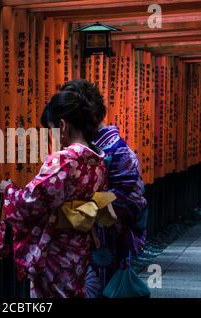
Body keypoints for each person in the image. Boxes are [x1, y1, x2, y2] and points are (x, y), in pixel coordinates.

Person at [0, 90, 109, 298]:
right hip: (79, 245)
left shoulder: (65, 159)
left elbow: (32, 202)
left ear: (63, 125)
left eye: (52, 130)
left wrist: (9, 191)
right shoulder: (98, 160)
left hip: (55, 249)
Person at [61, 79, 148, 287]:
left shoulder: (107, 151)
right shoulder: (106, 148)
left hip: (104, 239)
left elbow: (129, 200)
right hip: (97, 237)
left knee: (97, 287)